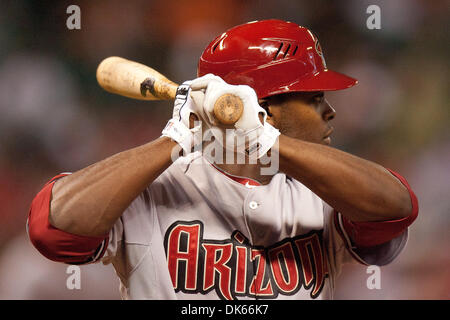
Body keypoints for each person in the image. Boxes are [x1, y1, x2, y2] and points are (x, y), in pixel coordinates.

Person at [27, 19, 418, 300]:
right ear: (263, 106)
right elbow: (53, 230)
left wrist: (263, 139)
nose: (330, 111)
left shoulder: (327, 192)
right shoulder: (155, 187)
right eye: (314, 98)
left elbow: (395, 210)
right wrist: (176, 138)